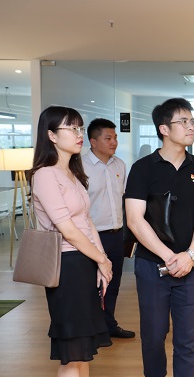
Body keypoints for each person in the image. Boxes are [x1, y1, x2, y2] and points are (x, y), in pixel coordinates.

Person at [28, 106, 119, 377]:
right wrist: (100, 258)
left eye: (80, 128)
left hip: (84, 262)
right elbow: (67, 229)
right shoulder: (45, 175)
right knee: (71, 351)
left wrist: (102, 261)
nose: (79, 135)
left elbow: (87, 221)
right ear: (51, 136)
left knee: (83, 347)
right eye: (72, 129)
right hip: (66, 266)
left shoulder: (72, 173)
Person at [125, 98, 194, 377]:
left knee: (187, 337)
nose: (191, 127)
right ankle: (157, 376)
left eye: (193, 121)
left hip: (190, 266)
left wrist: (190, 255)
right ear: (164, 129)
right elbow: (135, 219)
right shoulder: (143, 169)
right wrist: (168, 256)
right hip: (152, 265)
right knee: (154, 331)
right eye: (183, 122)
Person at [82, 118, 135, 339]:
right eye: (108, 138)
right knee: (93, 285)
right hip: (91, 237)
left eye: (115, 138)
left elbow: (124, 199)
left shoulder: (119, 165)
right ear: (93, 142)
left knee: (112, 283)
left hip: (116, 235)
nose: (114, 142)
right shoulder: (80, 167)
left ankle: (109, 325)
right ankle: (93, 330)